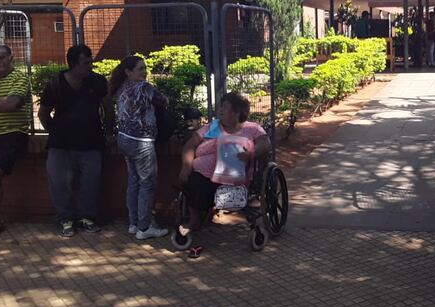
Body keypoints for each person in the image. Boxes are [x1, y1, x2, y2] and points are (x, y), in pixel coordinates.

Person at [177, 92, 272, 236]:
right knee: (193, 182)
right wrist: (186, 167)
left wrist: (250, 153)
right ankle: (195, 219)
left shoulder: (252, 129)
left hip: (236, 177)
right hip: (205, 175)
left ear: (237, 112)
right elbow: (190, 146)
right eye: (220, 106)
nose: (220, 110)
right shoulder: (211, 128)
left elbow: (265, 143)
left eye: (225, 107)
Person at [38, 45, 108, 238]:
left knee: (91, 182)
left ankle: (88, 218)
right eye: (86, 63)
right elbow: (43, 113)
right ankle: (65, 219)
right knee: (60, 184)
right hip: (61, 145)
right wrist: (56, 132)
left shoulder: (97, 82)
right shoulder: (56, 83)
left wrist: (109, 132)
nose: (90, 66)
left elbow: (108, 107)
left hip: (92, 142)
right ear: (73, 64)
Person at [110, 55, 169, 241]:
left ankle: (134, 223)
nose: (145, 72)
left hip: (124, 139)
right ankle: (144, 227)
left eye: (145, 68)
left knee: (134, 180)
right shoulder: (144, 88)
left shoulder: (122, 89)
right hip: (141, 141)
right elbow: (162, 101)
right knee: (147, 183)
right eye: (140, 68)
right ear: (128, 72)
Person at [0, 45, 31, 237]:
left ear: (11, 59)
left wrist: (3, 102)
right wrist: (0, 101)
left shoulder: (20, 78)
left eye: (1, 58)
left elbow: (13, 103)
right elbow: (4, 102)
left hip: (11, 133)